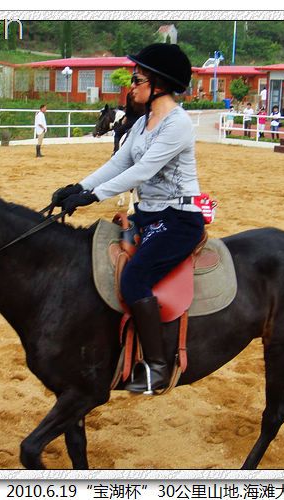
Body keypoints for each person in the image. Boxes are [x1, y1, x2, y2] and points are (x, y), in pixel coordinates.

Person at [48, 43, 203, 395]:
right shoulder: (143, 122)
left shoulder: (178, 124)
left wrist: (93, 197)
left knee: (134, 280)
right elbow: (119, 163)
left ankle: (158, 367)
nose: (131, 86)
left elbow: (144, 169)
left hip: (178, 219)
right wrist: (78, 186)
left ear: (159, 85)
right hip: (149, 216)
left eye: (137, 79)